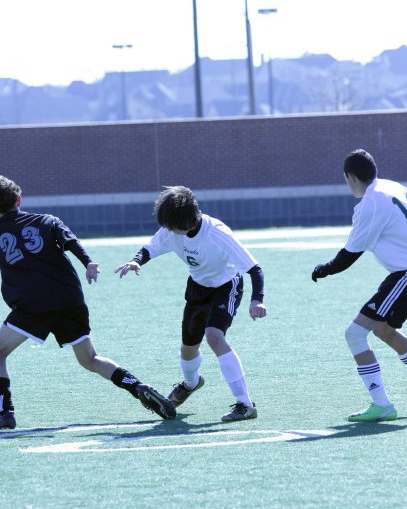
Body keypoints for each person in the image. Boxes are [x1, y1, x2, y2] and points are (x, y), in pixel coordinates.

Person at [0, 175, 175, 430]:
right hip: (69, 298)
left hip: (32, 305)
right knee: (90, 359)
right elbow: (71, 242)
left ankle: (5, 412)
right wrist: (89, 263)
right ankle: (137, 387)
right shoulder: (46, 220)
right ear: (19, 200)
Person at [311, 149, 407, 422]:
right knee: (384, 330)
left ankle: (381, 403)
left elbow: (348, 256)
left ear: (351, 177)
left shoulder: (369, 205)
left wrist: (323, 269)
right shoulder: (391, 186)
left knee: (355, 334)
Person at [115, 185, 267, 422]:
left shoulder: (217, 234)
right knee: (188, 351)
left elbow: (255, 269)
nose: (166, 229)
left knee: (214, 336)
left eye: (170, 225)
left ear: (185, 222)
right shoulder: (171, 230)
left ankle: (246, 404)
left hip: (226, 286)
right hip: (197, 289)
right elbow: (150, 248)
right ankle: (191, 384)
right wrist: (136, 261)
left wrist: (257, 300)